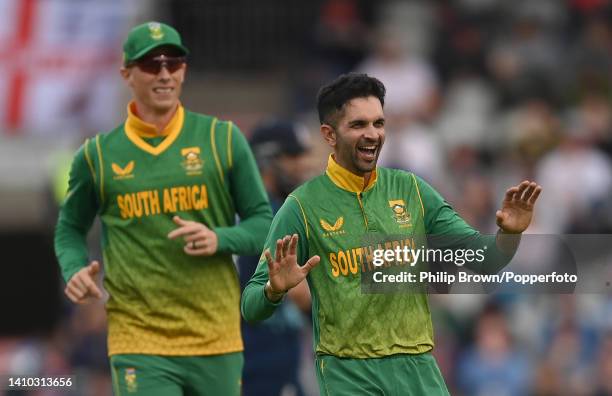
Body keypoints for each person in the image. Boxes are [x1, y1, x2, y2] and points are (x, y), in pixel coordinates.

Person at [241, 73, 542, 395]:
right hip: (348, 372)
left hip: (417, 368)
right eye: (358, 125)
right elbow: (251, 305)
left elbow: (486, 260)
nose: (373, 134)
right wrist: (274, 288)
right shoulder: (301, 207)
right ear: (329, 134)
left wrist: (508, 234)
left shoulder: (412, 190)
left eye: (379, 123)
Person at [54, 21, 272, 396]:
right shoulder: (98, 156)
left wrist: (220, 237)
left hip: (215, 337)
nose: (166, 74)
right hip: (138, 340)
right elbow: (70, 228)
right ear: (127, 74)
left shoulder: (223, 139)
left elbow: (263, 223)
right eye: (152, 65)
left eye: (175, 63)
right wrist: (74, 269)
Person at [239, 120, 312, 396]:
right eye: (292, 157)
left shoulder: (244, 208)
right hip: (265, 361)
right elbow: (302, 295)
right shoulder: (274, 215)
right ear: (267, 160)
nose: (301, 166)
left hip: (253, 360)